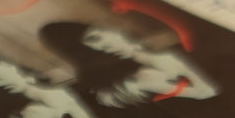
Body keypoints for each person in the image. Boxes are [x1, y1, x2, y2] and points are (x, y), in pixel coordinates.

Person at [39, 20, 217, 108]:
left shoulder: (168, 53)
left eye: (95, 37)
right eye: (88, 47)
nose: (102, 46)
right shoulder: (107, 82)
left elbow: (208, 92)